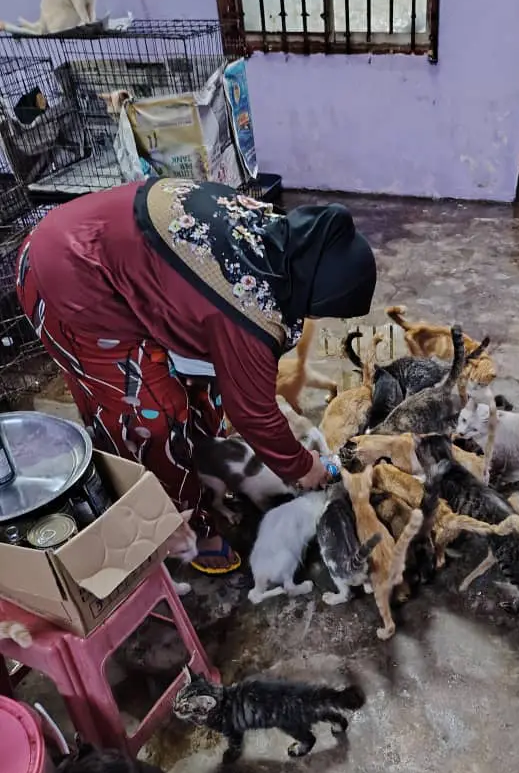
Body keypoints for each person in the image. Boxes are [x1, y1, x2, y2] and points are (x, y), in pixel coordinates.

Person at [16, 178, 377, 573]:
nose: (319, 318)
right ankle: (184, 532)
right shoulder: (249, 306)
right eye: (325, 309)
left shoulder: (274, 238)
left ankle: (194, 469)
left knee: (202, 391)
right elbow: (253, 412)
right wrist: (303, 467)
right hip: (69, 275)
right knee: (152, 420)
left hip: (96, 240)